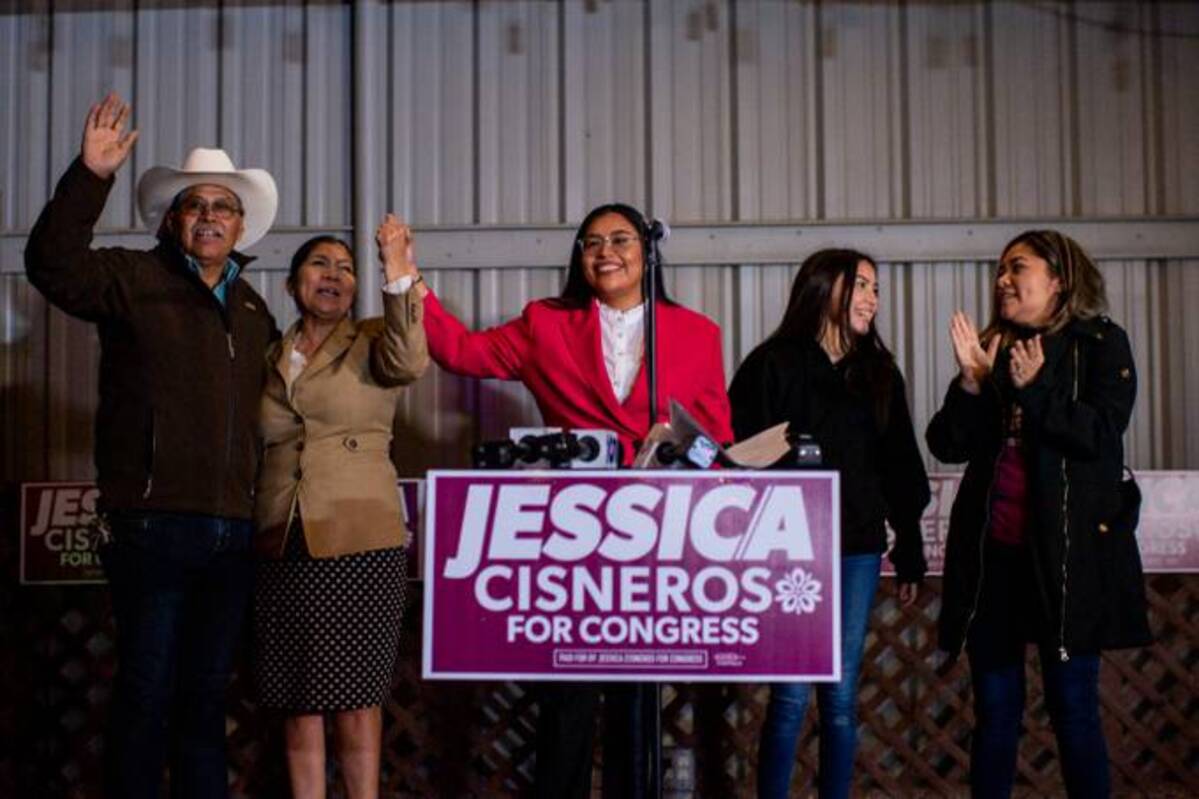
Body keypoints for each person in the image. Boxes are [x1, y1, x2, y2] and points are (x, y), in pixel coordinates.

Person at [409, 202, 734, 798]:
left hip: (655, 538)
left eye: (620, 239)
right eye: (591, 242)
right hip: (573, 537)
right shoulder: (545, 324)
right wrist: (406, 276)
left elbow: (717, 431)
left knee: (641, 700)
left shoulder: (696, 332)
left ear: (647, 252)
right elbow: (460, 352)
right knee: (568, 696)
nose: (604, 251)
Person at [24, 93, 279, 798]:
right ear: (173, 220)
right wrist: (90, 176)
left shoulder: (257, 313)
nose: (208, 216)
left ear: (239, 224)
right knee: (145, 692)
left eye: (222, 206)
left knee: (204, 703)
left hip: (232, 532)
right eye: (194, 205)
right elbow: (52, 264)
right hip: (152, 525)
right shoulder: (133, 279)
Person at [926, 230, 1144, 798]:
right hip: (994, 561)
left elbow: (1098, 434)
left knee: (1073, 710)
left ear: (1058, 279)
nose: (1002, 280)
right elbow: (948, 443)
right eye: (999, 270)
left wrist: (1037, 388)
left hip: (1065, 563)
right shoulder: (995, 347)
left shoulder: (1101, 344)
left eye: (1016, 268)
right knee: (995, 714)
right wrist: (972, 383)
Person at [728, 248, 930, 799]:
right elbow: (734, 457)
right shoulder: (771, 364)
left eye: (875, 288)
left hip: (857, 547)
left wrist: (908, 542)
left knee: (840, 698)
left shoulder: (880, 372)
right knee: (790, 696)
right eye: (861, 285)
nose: (872, 297)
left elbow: (900, 462)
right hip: (785, 551)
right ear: (824, 289)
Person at [252, 220, 428, 799]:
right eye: (319, 265)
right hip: (282, 536)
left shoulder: (376, 338)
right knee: (296, 697)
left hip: (358, 535)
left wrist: (397, 269)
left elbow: (410, 362)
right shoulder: (269, 353)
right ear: (292, 283)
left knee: (356, 697)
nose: (333, 275)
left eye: (345, 268)